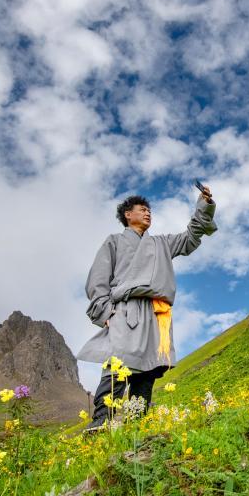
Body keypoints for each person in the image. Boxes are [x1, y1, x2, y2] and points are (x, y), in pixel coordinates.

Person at [78, 185, 217, 431]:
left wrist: (203, 205)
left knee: (148, 369)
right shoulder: (114, 242)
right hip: (124, 309)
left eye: (149, 210)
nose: (148, 213)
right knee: (118, 364)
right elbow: (98, 280)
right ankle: (100, 422)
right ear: (127, 215)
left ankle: (136, 426)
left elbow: (191, 236)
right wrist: (105, 312)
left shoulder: (161, 243)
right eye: (142, 210)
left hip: (155, 313)